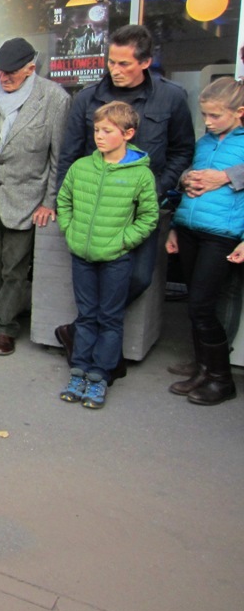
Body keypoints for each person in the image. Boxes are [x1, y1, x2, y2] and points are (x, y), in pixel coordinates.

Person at [54, 25, 195, 362]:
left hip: (141, 210)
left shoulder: (171, 97)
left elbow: (182, 150)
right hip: (95, 210)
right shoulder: (88, 98)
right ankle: (95, 342)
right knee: (91, 281)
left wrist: (158, 190)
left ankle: (81, 332)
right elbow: (69, 154)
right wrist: (66, 209)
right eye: (111, 62)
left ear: (145, 62)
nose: (114, 70)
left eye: (124, 64)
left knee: (137, 278)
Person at [0, 37, 71, 356]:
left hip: (27, 198)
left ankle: (6, 328)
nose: (2, 78)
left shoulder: (54, 98)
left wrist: (50, 201)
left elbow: (58, 157)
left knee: (14, 269)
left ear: (30, 69)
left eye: (10, 73)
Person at [56, 102, 158, 409]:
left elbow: (149, 217)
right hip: (82, 255)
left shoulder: (140, 175)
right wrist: (70, 231)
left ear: (128, 134)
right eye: (97, 130)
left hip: (116, 259)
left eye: (107, 131)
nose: (99, 136)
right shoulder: (81, 167)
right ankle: (79, 372)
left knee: (110, 318)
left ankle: (100, 376)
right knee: (86, 315)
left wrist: (123, 242)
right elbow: (64, 201)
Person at [165, 77, 244, 406]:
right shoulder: (206, 142)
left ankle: (221, 379)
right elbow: (189, 178)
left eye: (215, 116)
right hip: (190, 228)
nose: (208, 122)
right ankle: (203, 369)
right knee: (195, 308)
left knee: (202, 306)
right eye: (205, 115)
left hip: (222, 235)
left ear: (239, 112)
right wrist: (175, 223)